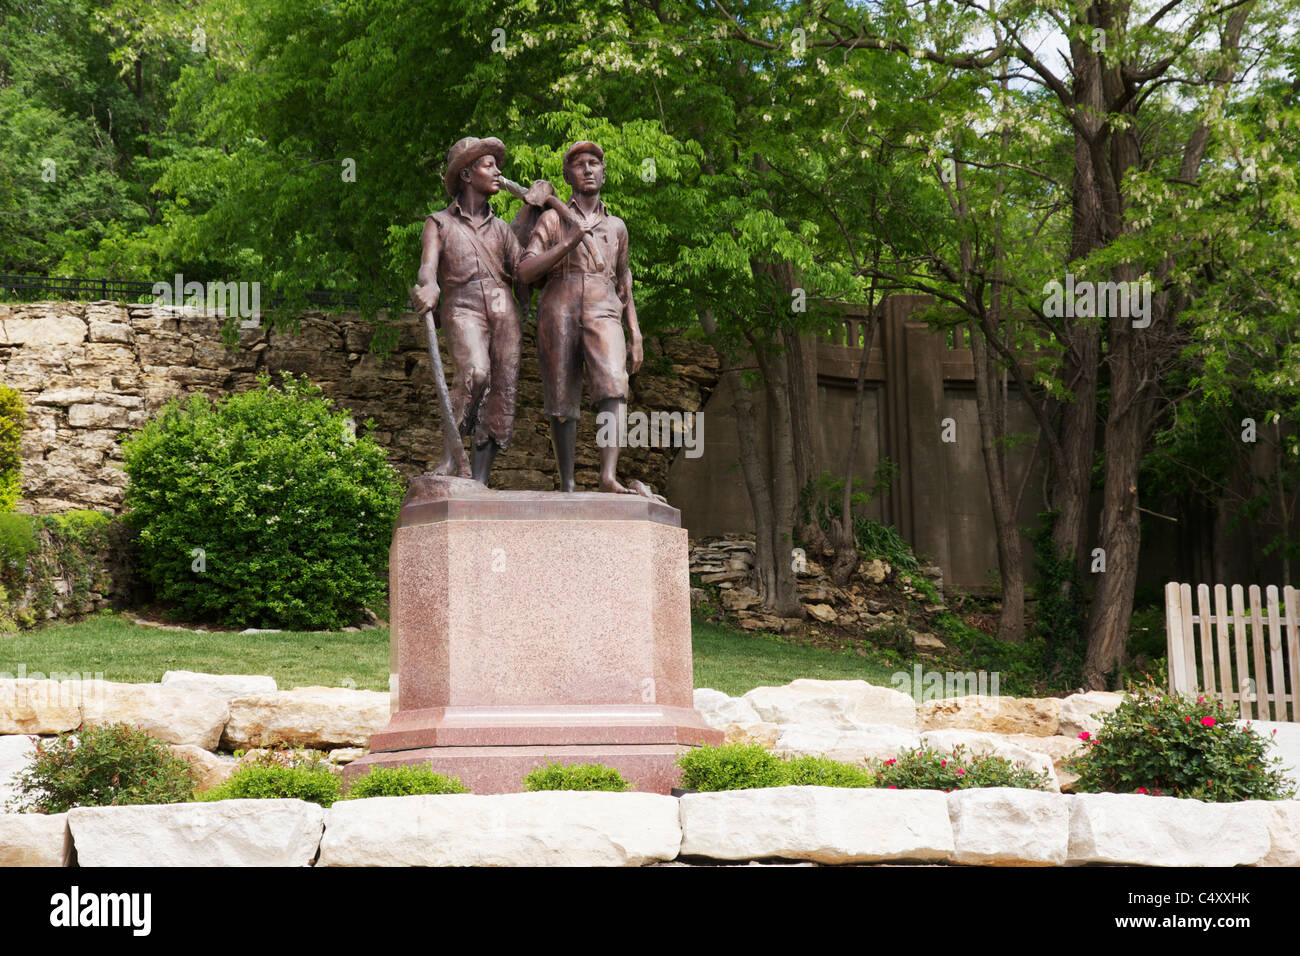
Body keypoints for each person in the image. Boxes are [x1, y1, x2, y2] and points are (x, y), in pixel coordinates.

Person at [516, 140, 662, 500]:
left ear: (603, 172)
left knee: (615, 384)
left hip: (603, 304)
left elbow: (624, 278)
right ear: (568, 175)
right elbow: (525, 270)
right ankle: (567, 484)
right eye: (580, 164)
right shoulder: (552, 219)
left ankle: (608, 476)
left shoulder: (616, 227)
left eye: (595, 163)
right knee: (561, 395)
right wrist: (567, 243)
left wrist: (636, 331)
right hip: (559, 303)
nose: (588, 169)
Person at [411, 136, 524, 484]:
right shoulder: (439, 223)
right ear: (466, 174)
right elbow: (428, 266)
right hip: (463, 305)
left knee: (503, 391)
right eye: (489, 165)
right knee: (476, 373)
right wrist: (428, 285)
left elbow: (525, 271)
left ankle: (479, 479)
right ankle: (450, 457)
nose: (498, 172)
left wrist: (541, 209)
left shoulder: (503, 229)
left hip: (504, 309)